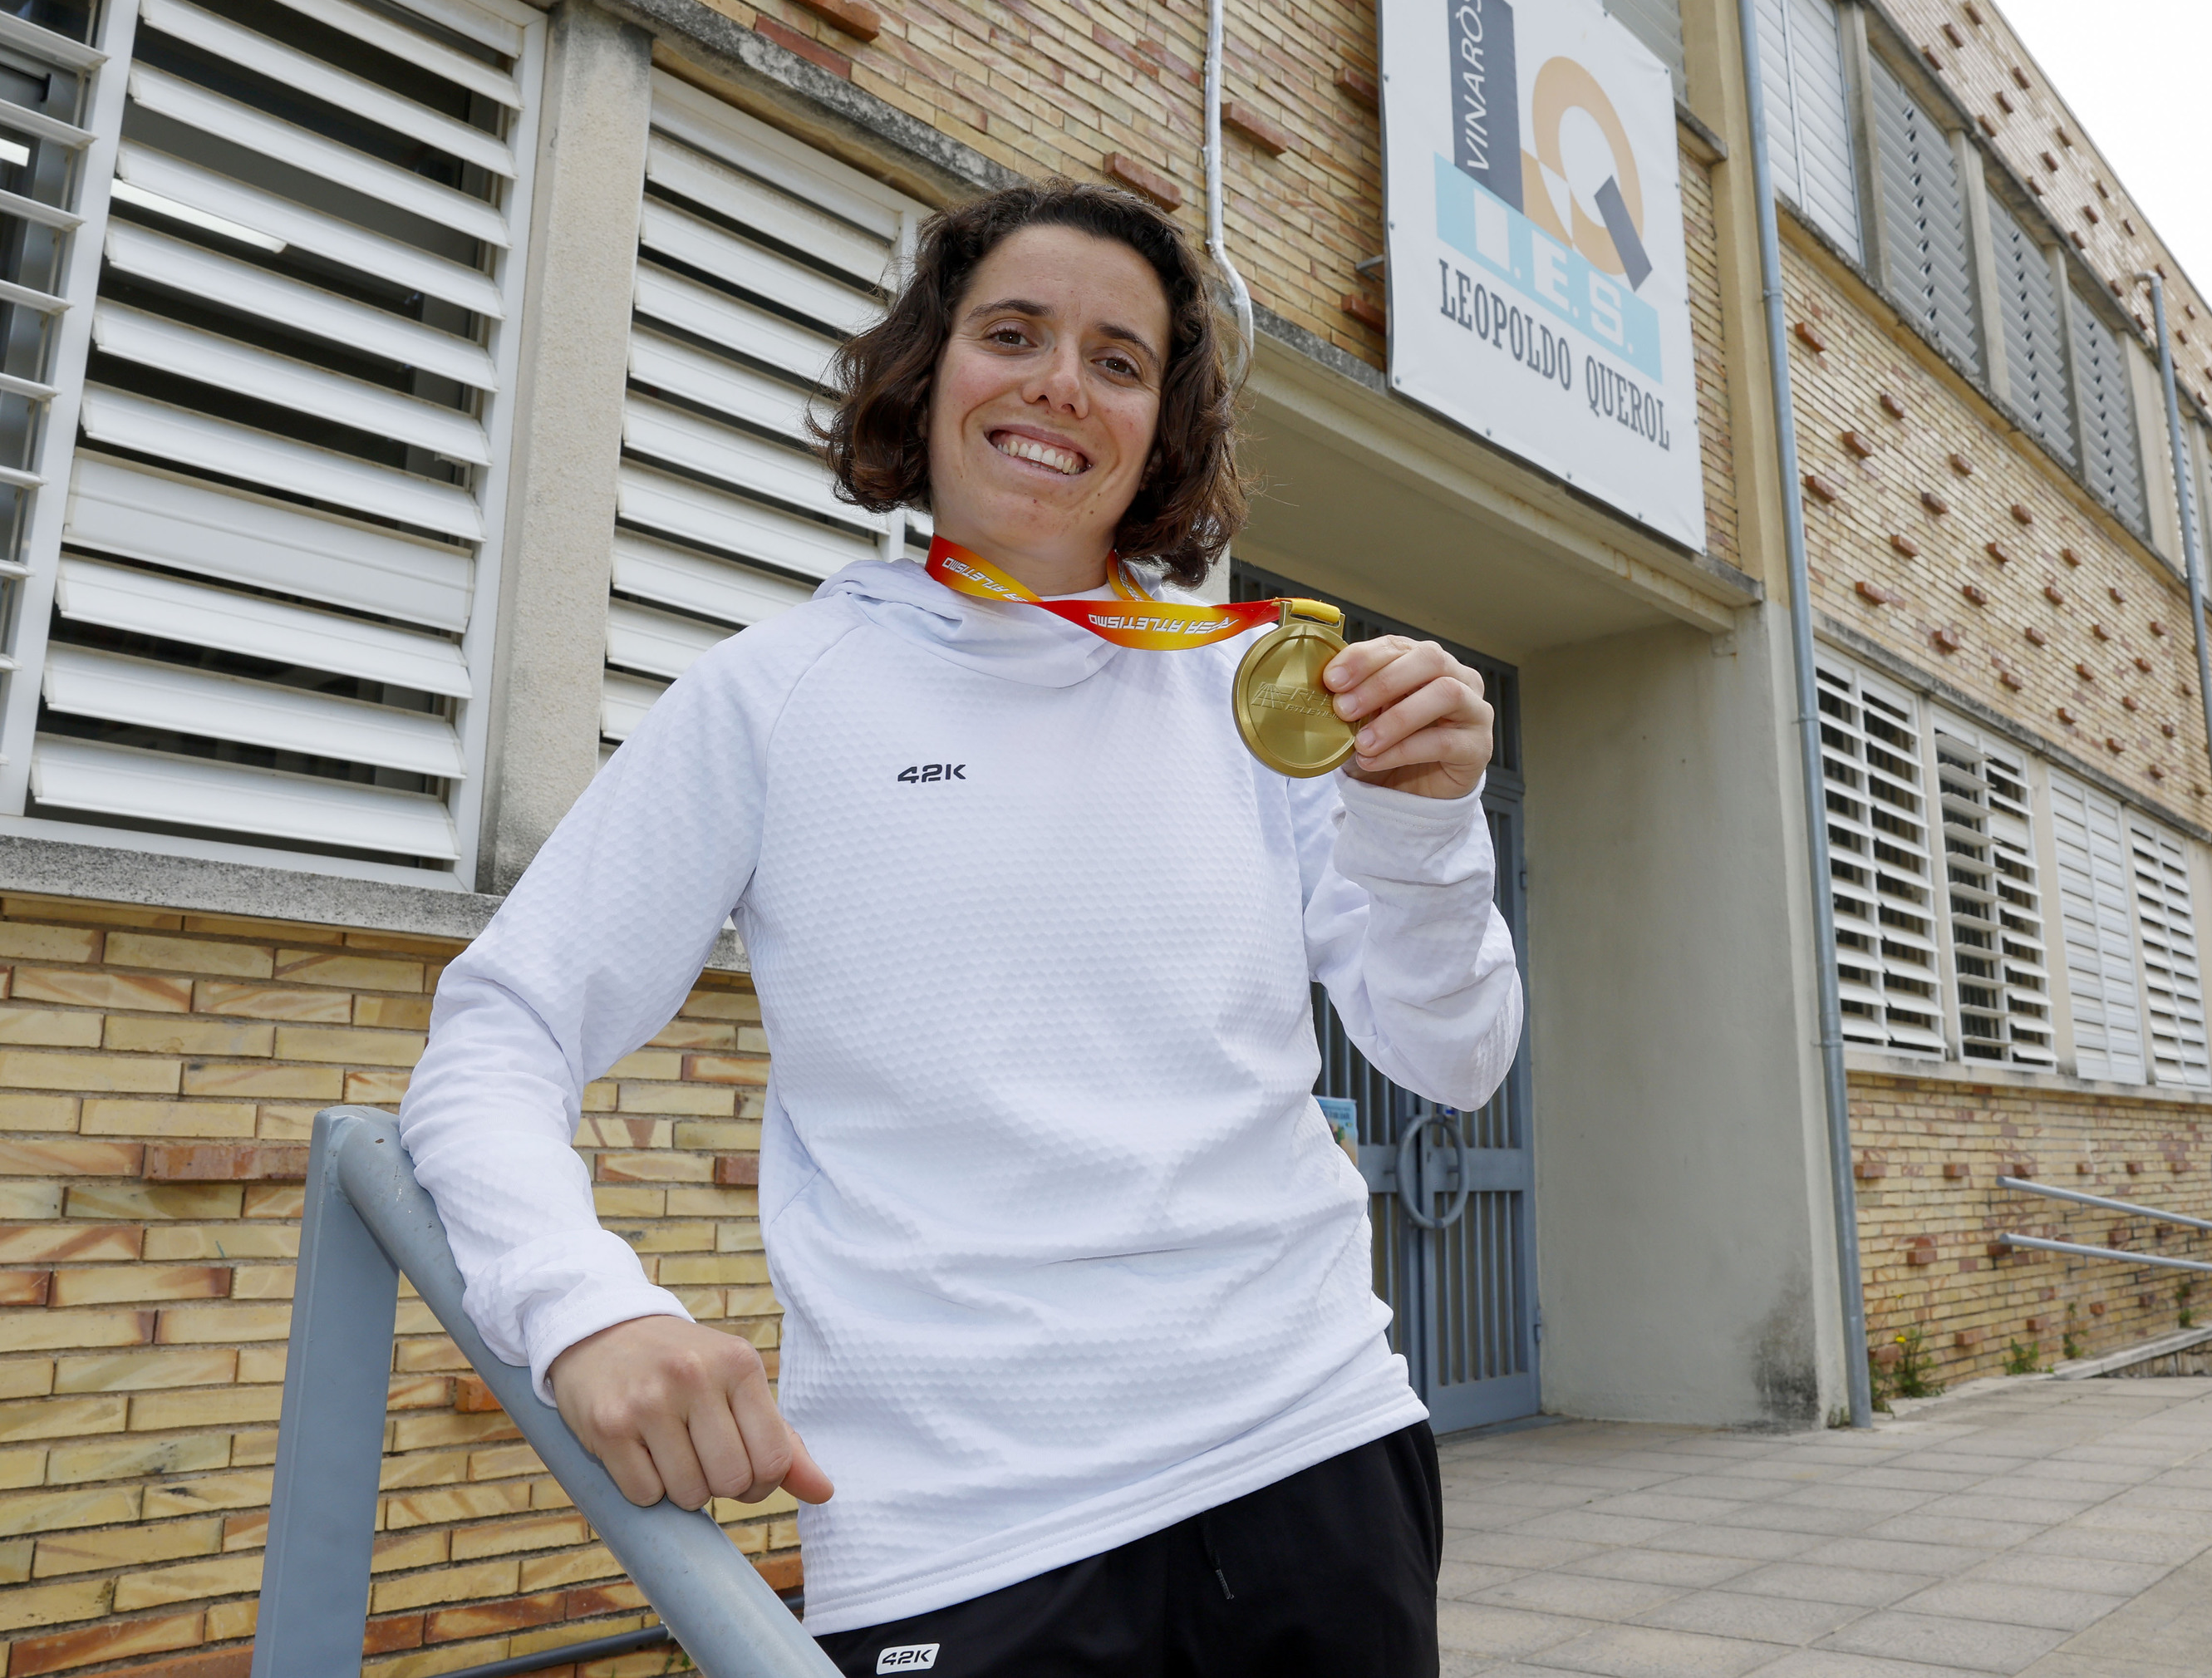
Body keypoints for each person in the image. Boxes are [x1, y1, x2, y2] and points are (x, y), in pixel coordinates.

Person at [401, 180, 1521, 1676]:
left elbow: (1454, 1056)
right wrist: (585, 1309)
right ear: (928, 377)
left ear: (1160, 427)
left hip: (1316, 1454)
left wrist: (1429, 825)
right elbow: (499, 1031)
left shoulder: (1256, 692)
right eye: (1014, 333)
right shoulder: (777, 693)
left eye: (1120, 359)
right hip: (967, 1536)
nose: (1063, 381)